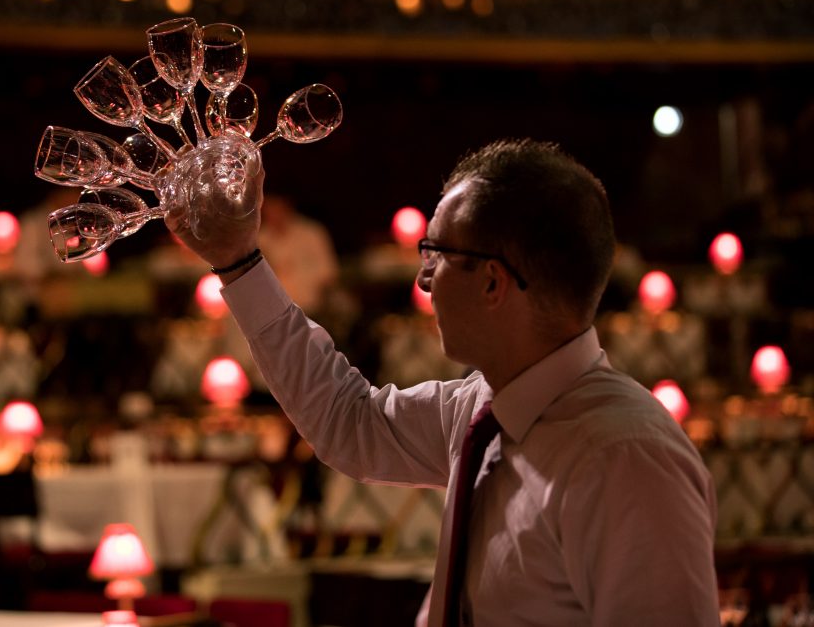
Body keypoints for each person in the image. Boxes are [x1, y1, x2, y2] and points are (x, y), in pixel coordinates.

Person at [165, 138, 720, 626]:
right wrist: (238, 262)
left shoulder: (624, 456)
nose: (423, 280)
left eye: (436, 254)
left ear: (493, 283)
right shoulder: (480, 408)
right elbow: (346, 421)